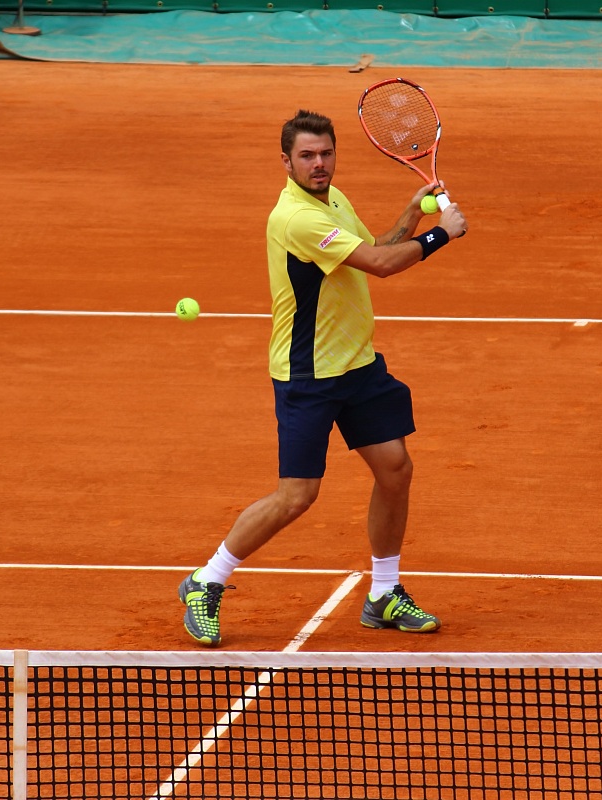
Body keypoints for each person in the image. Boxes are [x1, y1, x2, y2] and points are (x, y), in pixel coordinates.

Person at [178, 109, 468, 647]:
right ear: (285, 161)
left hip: (357, 367)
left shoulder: (333, 200)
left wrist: (410, 216)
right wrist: (439, 236)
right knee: (297, 496)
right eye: (307, 156)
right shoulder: (295, 218)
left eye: (326, 153)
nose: (319, 163)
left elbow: (374, 247)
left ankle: (383, 593)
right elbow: (382, 267)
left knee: (395, 469)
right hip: (308, 375)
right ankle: (205, 580)